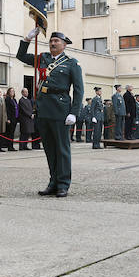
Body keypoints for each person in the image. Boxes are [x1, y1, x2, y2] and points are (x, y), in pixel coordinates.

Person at [16, 29, 83, 197]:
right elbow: (21, 56)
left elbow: (79, 90)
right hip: (43, 108)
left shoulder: (71, 63)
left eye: (56, 41)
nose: (53, 43)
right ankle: (53, 182)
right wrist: (28, 39)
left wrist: (74, 112)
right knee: (49, 149)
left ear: (64, 45)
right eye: (51, 41)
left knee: (62, 149)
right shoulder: (43, 58)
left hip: (60, 109)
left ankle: (63, 184)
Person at [4, 87, 19, 151]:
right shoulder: (7, 99)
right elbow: (7, 110)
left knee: (12, 133)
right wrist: (8, 118)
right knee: (9, 133)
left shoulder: (14, 100)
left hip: (15, 118)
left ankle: (11, 145)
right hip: (10, 119)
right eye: (11, 91)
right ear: (8, 92)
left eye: (13, 91)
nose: (12, 92)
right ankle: (9, 146)